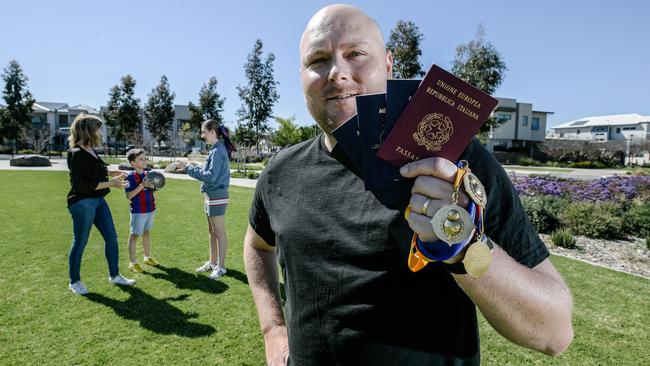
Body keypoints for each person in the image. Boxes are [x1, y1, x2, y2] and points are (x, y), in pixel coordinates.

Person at [243, 4, 574, 365]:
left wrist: (462, 247)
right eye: (318, 60)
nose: (337, 73)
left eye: (355, 54)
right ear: (302, 75)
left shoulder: (455, 164)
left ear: (387, 65)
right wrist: (273, 330)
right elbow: (258, 244)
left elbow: (554, 333)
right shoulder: (281, 171)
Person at [66, 114, 136, 295]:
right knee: (80, 241)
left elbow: (95, 169)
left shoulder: (90, 149)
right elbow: (81, 186)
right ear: (88, 131)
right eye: (97, 128)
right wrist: (112, 184)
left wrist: (111, 172)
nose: (100, 132)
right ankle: (75, 281)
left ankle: (115, 276)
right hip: (82, 203)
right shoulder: (76, 153)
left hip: (98, 201)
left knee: (111, 237)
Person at [178, 120, 233, 280]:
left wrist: (189, 168)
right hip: (211, 195)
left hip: (217, 195)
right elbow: (209, 171)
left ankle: (221, 267)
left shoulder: (217, 150)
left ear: (212, 132)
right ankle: (212, 262)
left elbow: (210, 177)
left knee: (219, 233)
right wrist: (194, 165)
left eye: (204, 132)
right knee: (212, 232)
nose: (202, 136)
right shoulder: (215, 149)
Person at [124, 148, 160, 273]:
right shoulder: (130, 177)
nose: (144, 161)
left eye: (145, 158)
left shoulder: (148, 174)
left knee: (146, 233)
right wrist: (142, 185)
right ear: (133, 163)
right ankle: (133, 263)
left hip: (150, 209)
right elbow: (129, 196)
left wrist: (152, 186)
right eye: (141, 159)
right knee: (134, 236)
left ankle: (147, 257)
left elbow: (153, 189)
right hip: (138, 211)